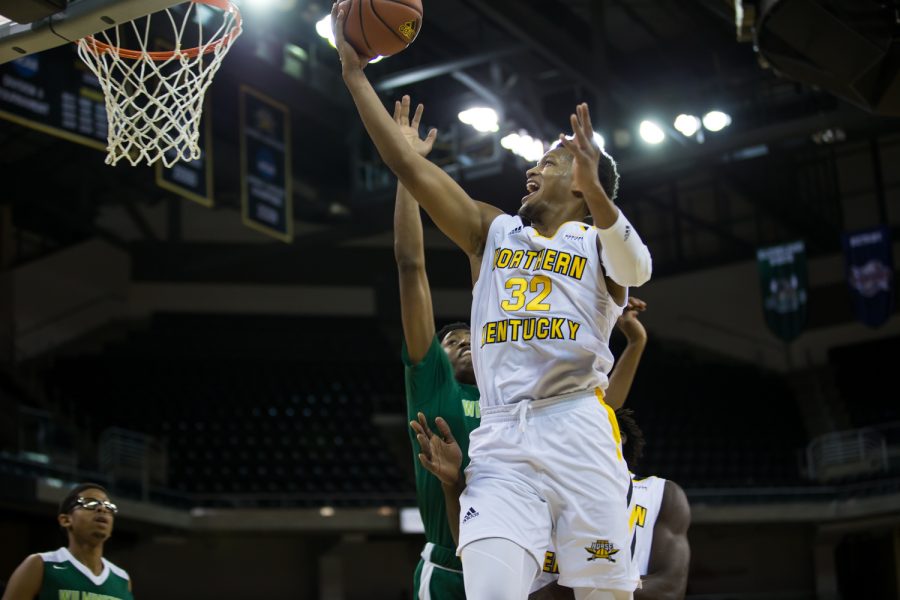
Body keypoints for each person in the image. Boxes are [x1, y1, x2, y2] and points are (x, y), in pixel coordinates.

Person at [333, 6, 651, 598]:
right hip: (503, 440)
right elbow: (406, 165)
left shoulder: (600, 244)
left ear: (583, 183)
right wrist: (355, 75)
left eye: (550, 163)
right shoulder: (494, 232)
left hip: (578, 428)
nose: (531, 168)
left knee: (605, 594)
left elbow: (639, 268)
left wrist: (601, 198)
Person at [411, 410, 691, 600]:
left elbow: (670, 588)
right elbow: (476, 551)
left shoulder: (660, 494)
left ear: (619, 436)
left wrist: (567, 589)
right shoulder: (524, 483)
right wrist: (452, 483)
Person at [392, 96, 480, 599]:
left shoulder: (508, 388)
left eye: (471, 337)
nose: (464, 342)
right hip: (449, 569)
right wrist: (410, 169)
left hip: (516, 557)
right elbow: (411, 266)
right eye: (452, 340)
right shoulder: (433, 382)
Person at [1, 483, 134, 600]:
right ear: (66, 520)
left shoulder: (122, 579)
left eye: (108, 506)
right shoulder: (41, 564)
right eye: (90, 503)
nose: (102, 509)